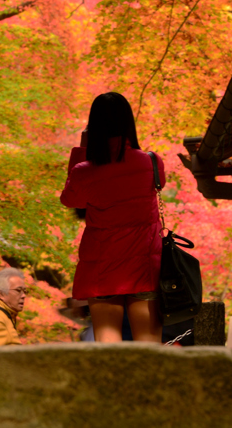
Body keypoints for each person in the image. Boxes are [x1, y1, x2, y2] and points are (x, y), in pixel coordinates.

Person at [60, 92, 164, 343]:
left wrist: (82, 151)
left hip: (103, 268)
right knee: (149, 346)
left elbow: (70, 200)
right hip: (144, 266)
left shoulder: (85, 171)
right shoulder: (151, 162)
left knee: (109, 348)